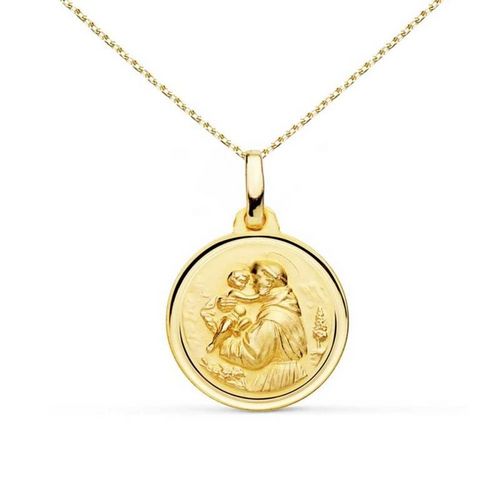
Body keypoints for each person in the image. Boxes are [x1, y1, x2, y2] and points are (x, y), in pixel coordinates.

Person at [217, 260, 308, 392]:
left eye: (256, 279)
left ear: (270, 280)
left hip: (277, 378)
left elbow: (254, 356)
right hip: (289, 374)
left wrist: (223, 342)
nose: (254, 285)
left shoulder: (274, 318)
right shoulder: (286, 306)